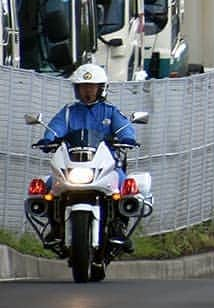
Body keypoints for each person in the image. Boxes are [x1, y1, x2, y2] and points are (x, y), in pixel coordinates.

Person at [33, 64, 138, 250]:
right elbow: (56, 127)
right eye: (83, 87)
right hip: (73, 163)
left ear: (101, 89)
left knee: (123, 185)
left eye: (91, 87)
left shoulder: (110, 111)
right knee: (50, 187)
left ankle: (118, 227)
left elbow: (124, 128)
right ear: (76, 89)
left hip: (104, 164)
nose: (87, 91)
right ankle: (55, 228)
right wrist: (47, 139)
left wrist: (128, 137)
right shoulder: (69, 111)